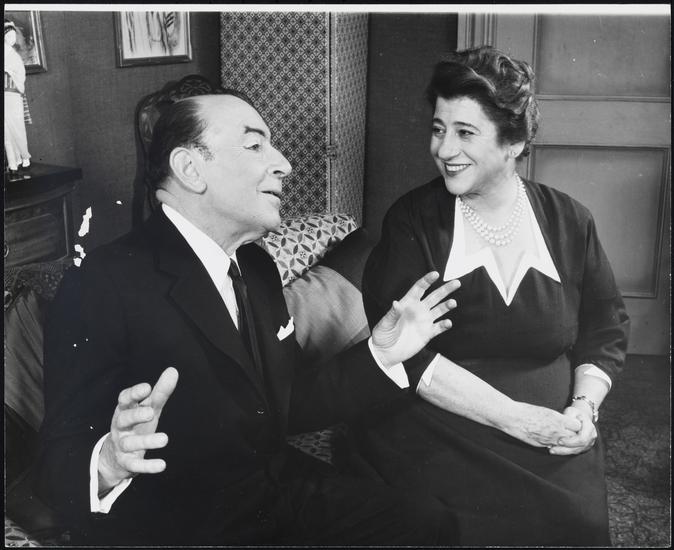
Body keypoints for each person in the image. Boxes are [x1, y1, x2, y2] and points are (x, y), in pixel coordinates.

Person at [34, 91, 462, 546]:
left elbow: (287, 405)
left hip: (273, 491)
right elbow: (55, 462)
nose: (284, 165)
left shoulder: (255, 267)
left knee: (428, 523)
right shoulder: (104, 281)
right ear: (190, 169)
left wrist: (382, 354)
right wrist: (108, 462)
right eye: (255, 145)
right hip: (179, 523)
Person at [344, 46, 630, 546]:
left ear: (513, 142)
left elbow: (605, 329)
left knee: (577, 524)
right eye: (438, 129)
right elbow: (406, 355)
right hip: (438, 416)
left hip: (552, 417)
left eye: (465, 133)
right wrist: (514, 419)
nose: (443, 149)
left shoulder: (570, 220)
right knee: (457, 526)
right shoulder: (412, 221)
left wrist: (583, 409)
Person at [4, 20, 31, 174]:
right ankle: (13, 162)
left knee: (18, 127)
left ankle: (24, 156)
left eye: (14, 36)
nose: (12, 39)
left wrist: (10, 71)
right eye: (9, 36)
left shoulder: (15, 56)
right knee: (6, 132)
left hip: (13, 94)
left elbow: (21, 75)